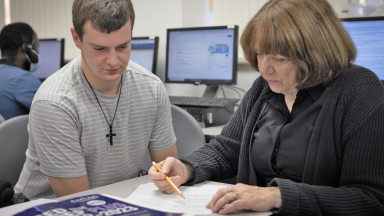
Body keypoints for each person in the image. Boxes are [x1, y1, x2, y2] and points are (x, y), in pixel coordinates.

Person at [149, 0, 384, 215]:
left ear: (316, 55)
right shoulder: (264, 87)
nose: (263, 68)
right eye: (259, 54)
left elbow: (370, 199)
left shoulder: (359, 90)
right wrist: (187, 167)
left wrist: (276, 196)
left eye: (279, 59)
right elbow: (226, 149)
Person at [14, 0, 177, 199]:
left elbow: (169, 176)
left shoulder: (152, 88)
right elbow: (79, 202)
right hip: (46, 208)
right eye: (99, 49)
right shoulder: (55, 102)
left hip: (119, 200)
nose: (113, 61)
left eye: (123, 46)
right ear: (76, 38)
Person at [0, 23, 41, 120]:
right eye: (37, 47)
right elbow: (57, 113)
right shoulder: (22, 79)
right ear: (26, 48)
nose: (38, 53)